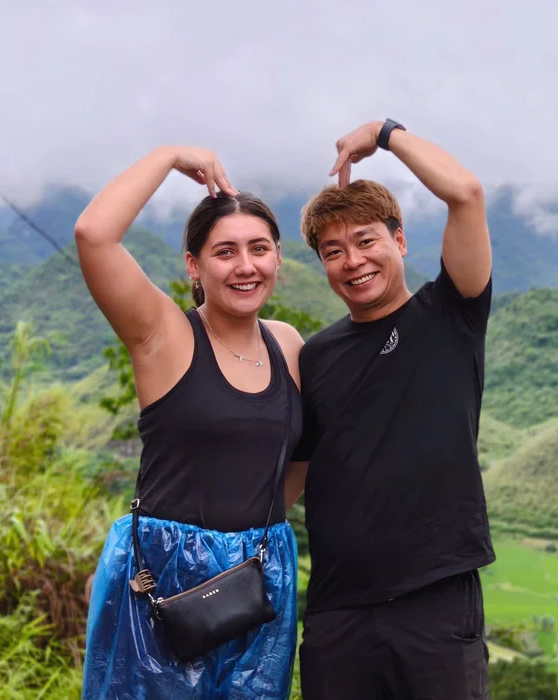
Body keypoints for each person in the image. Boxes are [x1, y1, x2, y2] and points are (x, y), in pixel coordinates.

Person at [76, 146, 307, 700]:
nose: (245, 266)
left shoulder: (288, 344)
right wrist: (171, 157)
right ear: (193, 265)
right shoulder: (164, 335)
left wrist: (253, 531)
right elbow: (93, 235)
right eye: (225, 251)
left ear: (278, 257)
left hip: (259, 573)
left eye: (259, 249)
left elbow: (297, 461)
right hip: (162, 574)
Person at [293, 118, 494, 699]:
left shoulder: (450, 313)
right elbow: (299, 471)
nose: (352, 260)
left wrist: (385, 133)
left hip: (434, 599)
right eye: (334, 251)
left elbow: (466, 193)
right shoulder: (316, 355)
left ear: (399, 241)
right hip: (337, 610)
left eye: (366, 241)